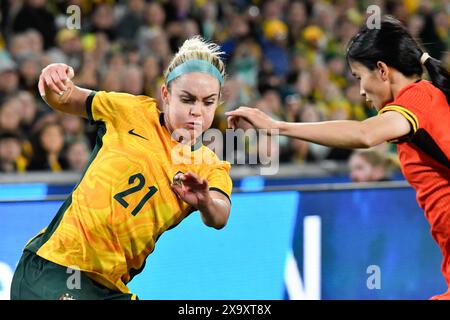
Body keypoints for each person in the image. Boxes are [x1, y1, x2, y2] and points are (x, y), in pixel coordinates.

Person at [226, 16, 450, 300]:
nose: (360, 91)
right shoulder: (426, 100)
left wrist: (278, 127)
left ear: (381, 70)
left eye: (359, 77)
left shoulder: (416, 99)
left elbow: (364, 134)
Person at [11, 36, 232, 300]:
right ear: (166, 95)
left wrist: (206, 201)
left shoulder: (210, 166)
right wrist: (51, 78)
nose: (197, 111)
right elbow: (63, 97)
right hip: (53, 267)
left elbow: (220, 215)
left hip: (107, 287)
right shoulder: (129, 110)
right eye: (187, 99)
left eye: (208, 102)